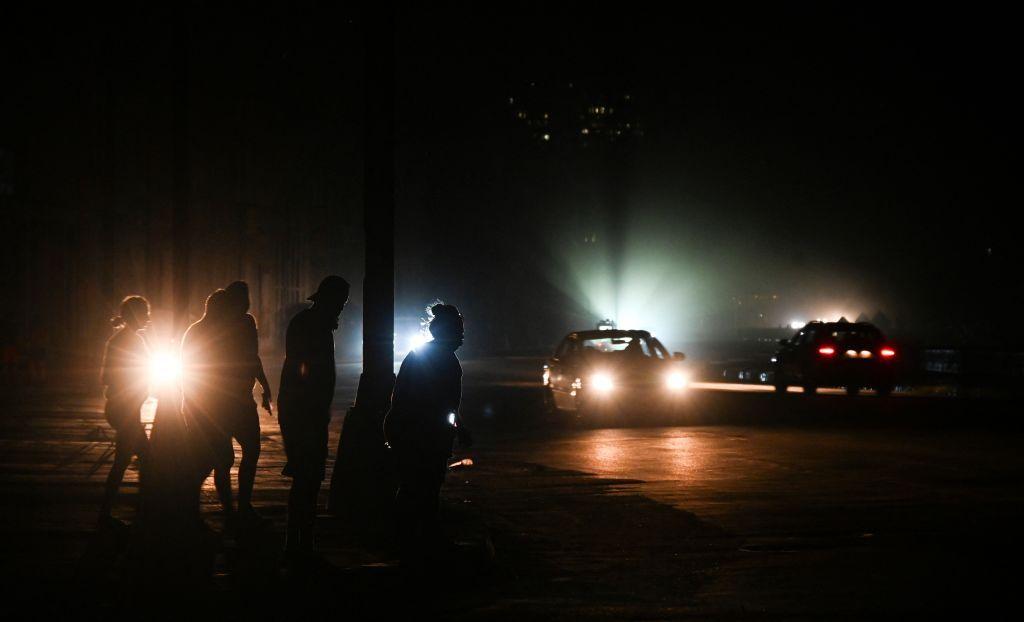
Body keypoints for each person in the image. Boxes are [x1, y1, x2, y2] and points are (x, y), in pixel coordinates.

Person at [384, 303, 471, 562]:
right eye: (459, 329)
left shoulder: (422, 354)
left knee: (416, 486)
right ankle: (417, 542)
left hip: (408, 430)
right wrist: (459, 429)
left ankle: (410, 540)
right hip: (419, 433)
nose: (462, 335)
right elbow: (441, 405)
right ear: (448, 332)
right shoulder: (445, 361)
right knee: (423, 487)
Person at [278, 275, 349, 559]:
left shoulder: (307, 324)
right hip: (304, 413)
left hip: (304, 411)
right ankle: (299, 544)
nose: (341, 311)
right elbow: (305, 371)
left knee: (306, 479)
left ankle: (297, 543)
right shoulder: (314, 328)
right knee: (307, 479)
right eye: (340, 304)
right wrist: (312, 408)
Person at [180, 289, 236, 521]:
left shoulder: (194, 331)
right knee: (217, 459)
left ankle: (218, 512)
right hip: (210, 409)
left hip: (198, 407)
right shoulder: (217, 334)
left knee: (215, 459)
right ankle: (201, 511)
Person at [220, 280, 273, 523]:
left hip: (238, 399)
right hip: (229, 400)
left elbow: (253, 357)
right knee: (233, 454)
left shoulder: (245, 322)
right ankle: (237, 507)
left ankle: (238, 507)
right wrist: (264, 386)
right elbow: (252, 357)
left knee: (244, 451)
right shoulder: (229, 325)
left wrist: (264, 386)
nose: (247, 302)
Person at [99, 295, 152, 527]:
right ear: (136, 316)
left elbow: (106, 377)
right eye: (145, 313)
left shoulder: (120, 339)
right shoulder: (131, 340)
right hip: (126, 410)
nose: (148, 318)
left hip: (122, 408)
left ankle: (136, 509)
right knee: (133, 459)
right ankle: (136, 511)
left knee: (139, 458)